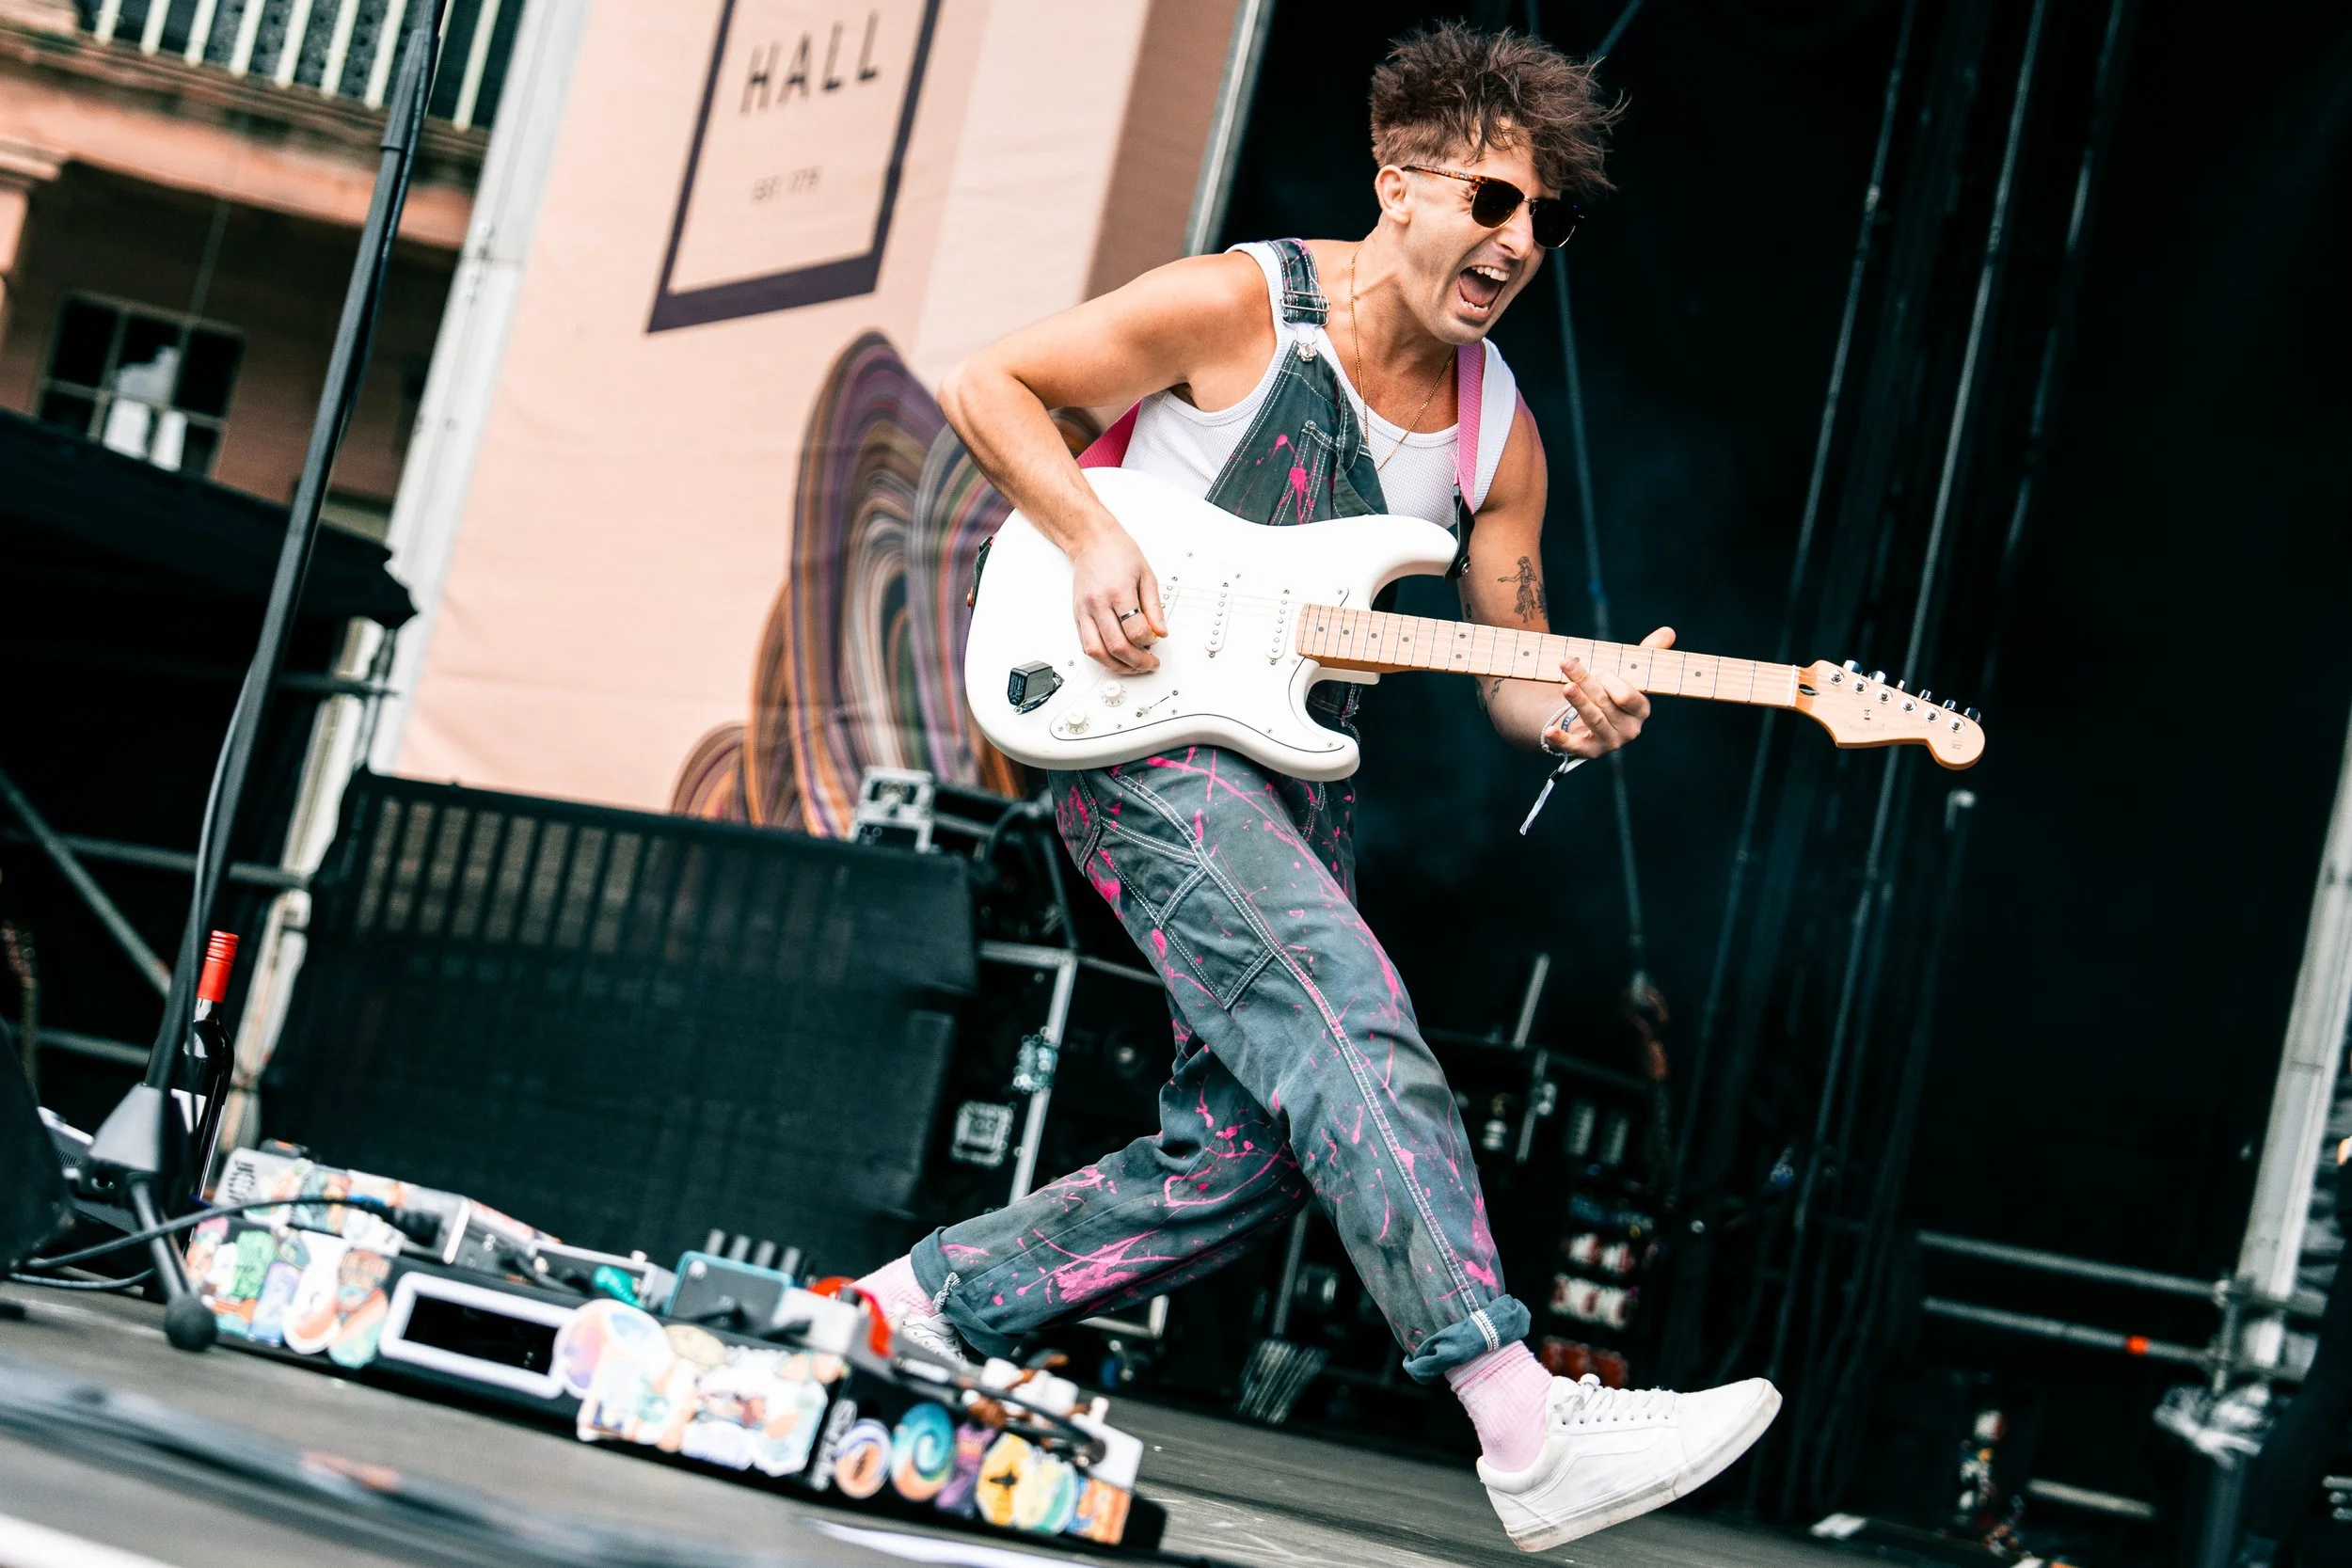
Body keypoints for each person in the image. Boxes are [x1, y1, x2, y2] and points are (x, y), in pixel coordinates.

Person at [857, 23, 1778, 1550]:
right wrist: (1093, 536)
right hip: (1137, 727)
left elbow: (1514, 668)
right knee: (1351, 1014)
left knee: (1260, 1144)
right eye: (1492, 199)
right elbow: (991, 384)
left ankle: (906, 1311)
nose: (1517, 242)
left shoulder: (1499, 433)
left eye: (1548, 221)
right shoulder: (1239, 304)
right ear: (1398, 182)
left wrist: (1581, 715)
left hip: (1293, 764)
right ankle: (1519, 1414)